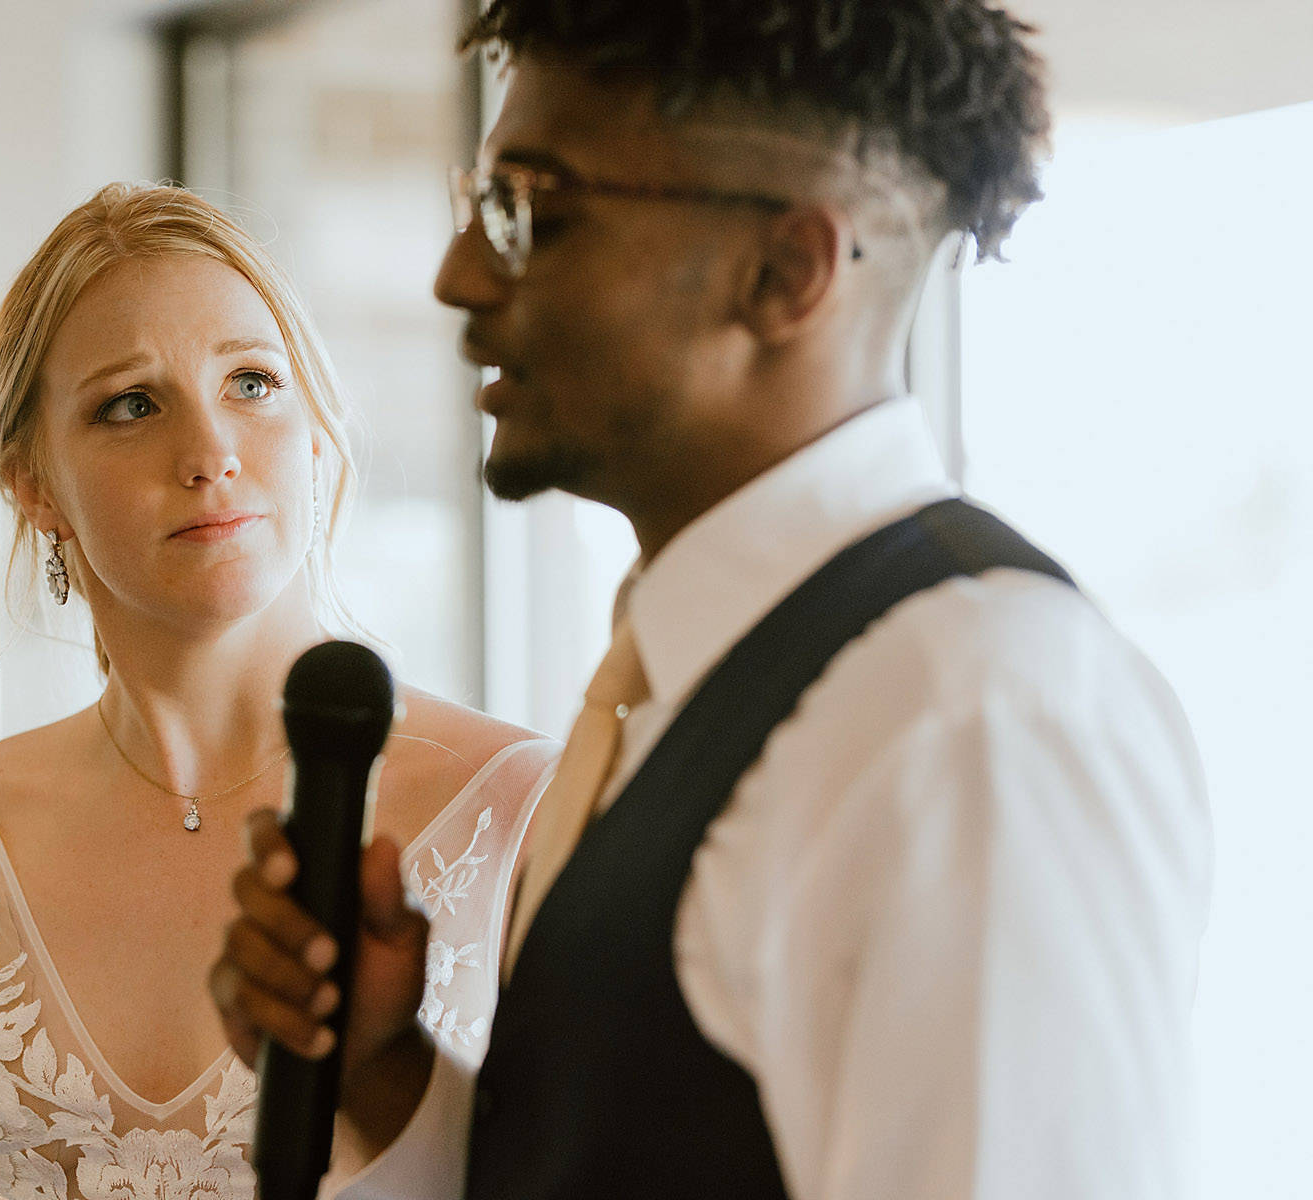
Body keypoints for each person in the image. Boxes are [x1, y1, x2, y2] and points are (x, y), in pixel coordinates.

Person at [211, 2, 1211, 1198]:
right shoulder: (675, 679)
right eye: (478, 199)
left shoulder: (971, 713)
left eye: (532, 208)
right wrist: (388, 1071)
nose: (458, 274)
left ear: (783, 272)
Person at [0, 183, 557, 1199]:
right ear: (32, 482)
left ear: (317, 430)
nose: (211, 453)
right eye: (131, 404)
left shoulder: (519, 806)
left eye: (253, 383)